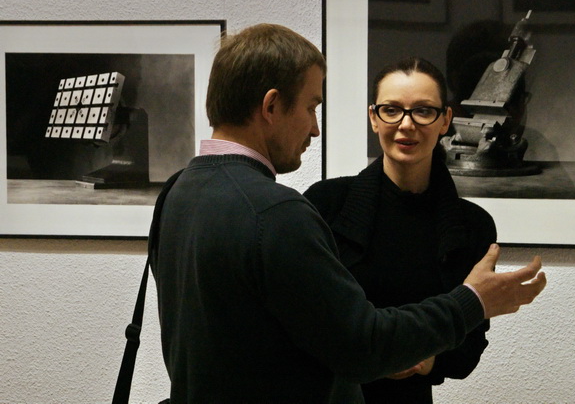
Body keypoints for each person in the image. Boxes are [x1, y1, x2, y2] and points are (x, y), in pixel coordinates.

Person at [150, 23, 547, 403]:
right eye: (311, 107)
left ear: (445, 119)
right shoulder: (278, 213)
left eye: (424, 111)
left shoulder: (177, 192)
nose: (315, 128)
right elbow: (363, 346)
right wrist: (473, 300)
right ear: (271, 106)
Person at [304, 57, 495, 403]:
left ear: (445, 120)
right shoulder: (325, 204)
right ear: (373, 118)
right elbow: (302, 322)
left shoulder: (473, 226)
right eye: (391, 110)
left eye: (423, 111)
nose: (406, 125)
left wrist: (427, 360)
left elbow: (470, 347)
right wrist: (380, 352)